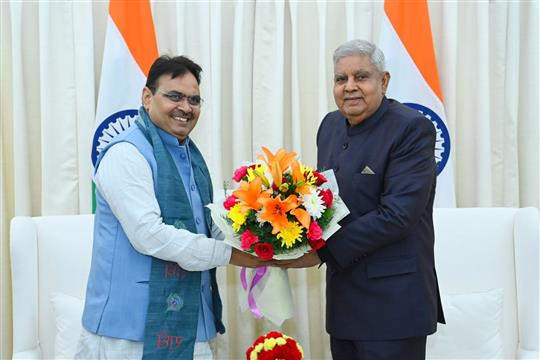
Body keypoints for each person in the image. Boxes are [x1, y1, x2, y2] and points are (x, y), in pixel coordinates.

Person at [76, 55, 267, 360]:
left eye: (194, 99)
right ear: (147, 96)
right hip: (127, 335)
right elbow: (149, 235)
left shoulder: (190, 156)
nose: (186, 107)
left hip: (193, 324)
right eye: (174, 96)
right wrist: (233, 254)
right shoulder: (126, 154)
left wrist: (267, 237)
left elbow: (209, 222)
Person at [280, 39, 445, 359]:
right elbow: (322, 202)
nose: (350, 87)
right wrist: (285, 231)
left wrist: (321, 251)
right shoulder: (329, 126)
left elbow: (398, 214)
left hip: (394, 306)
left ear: (384, 81)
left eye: (361, 77)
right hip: (344, 305)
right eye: (341, 79)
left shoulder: (412, 128)